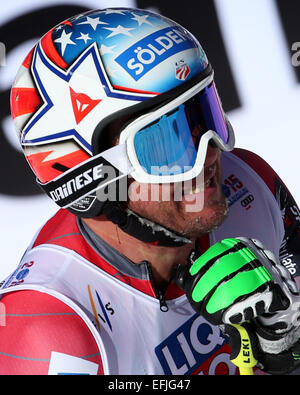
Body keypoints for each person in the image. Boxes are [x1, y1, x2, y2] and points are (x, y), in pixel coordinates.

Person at [1, 7, 300, 376]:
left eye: (203, 115)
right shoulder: (46, 328)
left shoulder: (251, 186)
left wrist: (289, 345)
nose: (209, 153)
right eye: (165, 142)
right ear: (94, 178)